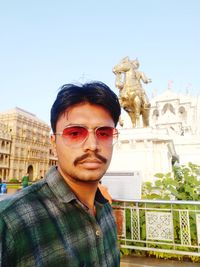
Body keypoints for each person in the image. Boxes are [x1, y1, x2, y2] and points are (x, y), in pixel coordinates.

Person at [0, 81, 121, 267]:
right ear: (53, 143)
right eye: (75, 133)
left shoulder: (104, 210)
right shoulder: (10, 222)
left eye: (104, 133)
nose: (92, 145)